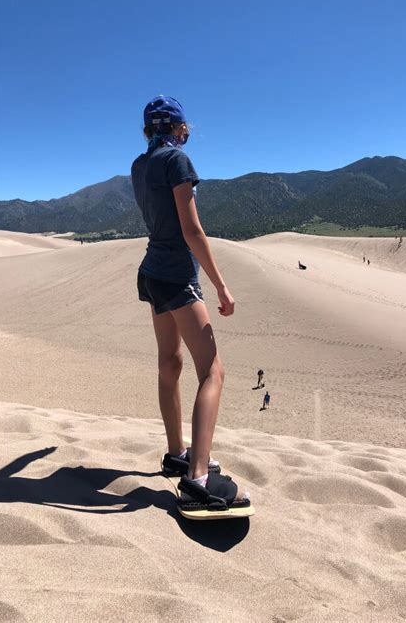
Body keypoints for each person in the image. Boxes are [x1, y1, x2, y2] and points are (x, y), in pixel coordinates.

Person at [131, 95, 250, 512]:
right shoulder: (177, 162)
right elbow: (192, 230)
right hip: (178, 276)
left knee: (170, 362)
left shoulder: (139, 165)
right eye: (186, 127)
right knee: (212, 370)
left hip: (151, 272)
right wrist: (221, 285)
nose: (188, 133)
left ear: (148, 129)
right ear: (177, 128)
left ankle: (176, 453)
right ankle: (198, 477)